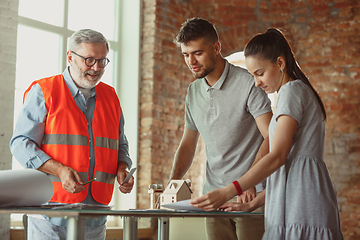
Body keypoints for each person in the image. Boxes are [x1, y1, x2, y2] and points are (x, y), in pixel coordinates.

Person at [190, 28, 344, 240]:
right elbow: (289, 170)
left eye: (260, 73)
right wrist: (254, 203)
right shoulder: (293, 93)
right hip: (296, 197)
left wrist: (229, 191)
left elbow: (278, 157)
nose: (256, 82)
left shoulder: (292, 91)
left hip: (303, 203)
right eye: (253, 75)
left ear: (280, 64)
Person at [10, 29, 134, 240]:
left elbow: (120, 144)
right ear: (70, 57)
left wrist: (123, 168)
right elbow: (21, 144)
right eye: (89, 60)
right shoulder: (44, 91)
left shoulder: (111, 97)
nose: (96, 68)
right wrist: (59, 170)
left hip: (96, 214)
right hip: (49, 213)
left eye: (102, 61)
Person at [168, 17, 273, 240]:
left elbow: (271, 136)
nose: (191, 61)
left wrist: (248, 182)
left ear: (217, 48)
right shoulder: (193, 91)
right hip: (213, 198)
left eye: (197, 53)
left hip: (249, 197)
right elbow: (188, 143)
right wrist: (173, 182)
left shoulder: (247, 84)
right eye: (186, 54)